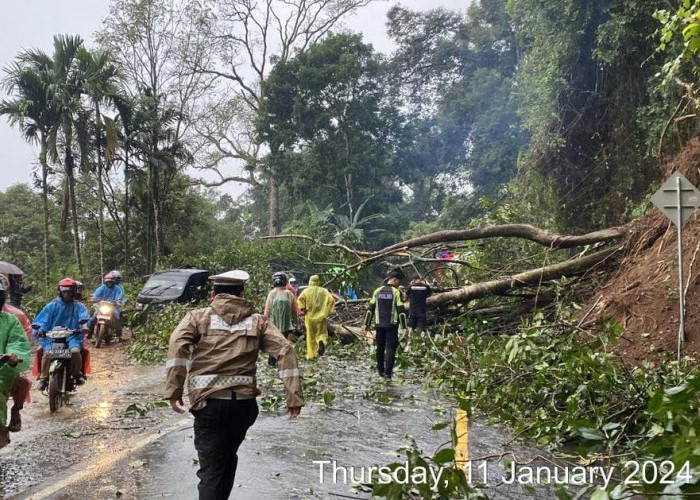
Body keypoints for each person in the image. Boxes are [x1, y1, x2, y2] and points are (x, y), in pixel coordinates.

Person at [165, 270, 304, 500]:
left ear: (213, 295)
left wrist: (174, 390)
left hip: (208, 406)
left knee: (212, 469)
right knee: (227, 460)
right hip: (243, 407)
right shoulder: (257, 320)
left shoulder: (197, 317)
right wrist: (293, 397)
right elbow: (285, 350)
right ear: (241, 293)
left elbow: (177, 345)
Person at [32, 278, 90, 391]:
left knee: (75, 352)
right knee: (47, 353)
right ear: (60, 291)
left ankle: (77, 373)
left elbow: (84, 319)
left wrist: (84, 327)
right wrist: (39, 329)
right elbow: (42, 320)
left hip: (72, 336)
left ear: (74, 292)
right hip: (51, 337)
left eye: (70, 291)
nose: (67, 294)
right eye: (65, 291)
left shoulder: (79, 306)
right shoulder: (51, 306)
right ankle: (43, 378)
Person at [0, 280, 31, 448]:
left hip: (4, 370)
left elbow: (19, 341)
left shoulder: (11, 319)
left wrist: (12, 357)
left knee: (22, 381)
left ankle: (16, 410)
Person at [365, 271, 407, 380]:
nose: (398, 284)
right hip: (391, 325)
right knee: (390, 348)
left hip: (379, 325)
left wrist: (367, 325)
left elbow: (370, 309)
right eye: (398, 282)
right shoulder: (395, 292)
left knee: (380, 347)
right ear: (394, 280)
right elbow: (401, 311)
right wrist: (404, 327)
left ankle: (380, 370)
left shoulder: (377, 291)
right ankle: (388, 373)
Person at [297, 275, 335, 360]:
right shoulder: (324, 291)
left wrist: (303, 309)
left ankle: (311, 355)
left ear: (310, 281)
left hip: (310, 317)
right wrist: (328, 311)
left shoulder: (306, 291)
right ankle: (321, 342)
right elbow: (332, 300)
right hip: (321, 317)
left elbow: (300, 299)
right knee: (322, 334)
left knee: (310, 337)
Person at [264, 272, 298, 366]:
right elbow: (294, 310)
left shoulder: (272, 293)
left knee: (273, 343)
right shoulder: (289, 294)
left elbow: (267, 310)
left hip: (273, 324)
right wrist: (296, 322)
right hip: (286, 324)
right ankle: (283, 362)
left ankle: (272, 362)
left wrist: (264, 323)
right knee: (284, 343)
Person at [89, 272, 124, 341]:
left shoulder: (117, 289)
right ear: (106, 282)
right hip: (101, 307)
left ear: (114, 282)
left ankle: (119, 335)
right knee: (93, 319)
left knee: (117, 319)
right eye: (108, 282)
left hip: (113, 307)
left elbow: (119, 297)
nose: (109, 283)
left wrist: (118, 302)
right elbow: (95, 295)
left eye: (111, 282)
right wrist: (94, 299)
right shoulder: (101, 288)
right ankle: (90, 334)